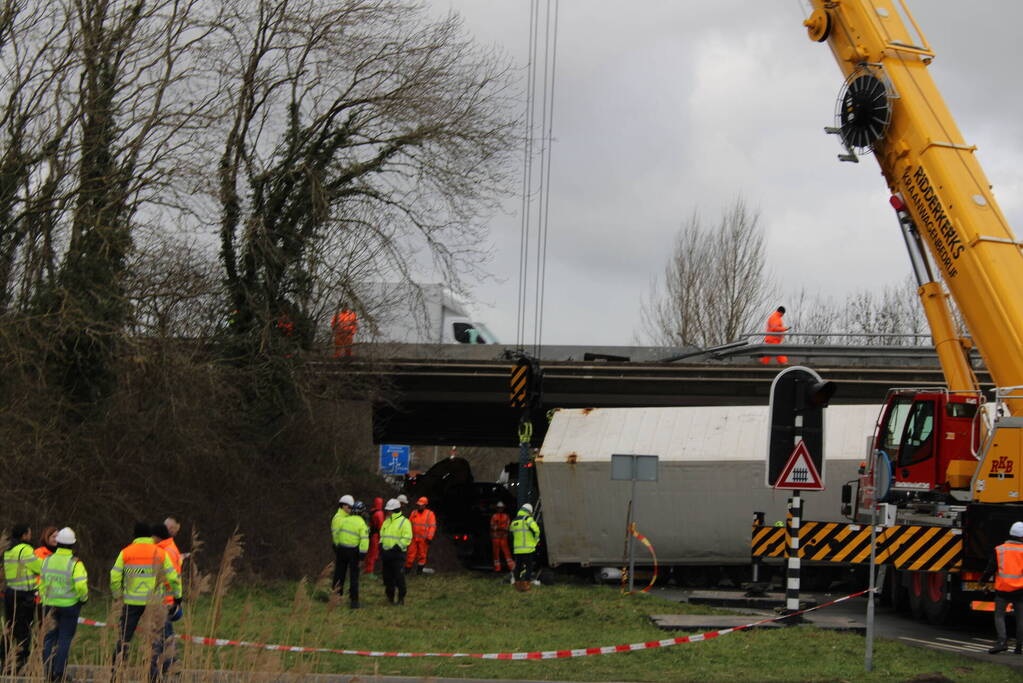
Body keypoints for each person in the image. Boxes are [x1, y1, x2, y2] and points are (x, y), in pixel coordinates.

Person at [111, 522, 182, 681]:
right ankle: (152, 675)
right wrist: (178, 596)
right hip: (155, 602)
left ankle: (116, 674)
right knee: (154, 639)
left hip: (131, 602)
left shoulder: (126, 552)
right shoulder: (160, 552)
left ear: (134, 535)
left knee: (124, 639)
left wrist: (118, 595)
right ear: (150, 535)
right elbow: (173, 577)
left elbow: (114, 576)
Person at [40, 527, 88, 682]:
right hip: (70, 606)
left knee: (49, 639)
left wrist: (44, 598)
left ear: (58, 543)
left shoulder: (47, 560)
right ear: (72, 545)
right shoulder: (75, 563)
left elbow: (42, 582)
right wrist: (83, 598)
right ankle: (59, 673)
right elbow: (81, 586)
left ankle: (47, 672)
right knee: (64, 639)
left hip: (49, 604)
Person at [2, 523, 41, 673]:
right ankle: (20, 663)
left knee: (9, 628)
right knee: (24, 630)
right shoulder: (25, 549)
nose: (30, 536)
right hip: (24, 595)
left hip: (10, 592)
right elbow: (38, 568)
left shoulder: (8, 549)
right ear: (24, 535)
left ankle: (4, 659)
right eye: (29, 533)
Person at [982, 521, 1023, 654]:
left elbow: (990, 569)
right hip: (1021, 591)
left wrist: (983, 582)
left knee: (999, 615)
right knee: (1021, 618)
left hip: (1003, 590)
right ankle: (1019, 646)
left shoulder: (1000, 550)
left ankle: (1001, 642)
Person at [153, 521, 184, 676]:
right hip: (166, 599)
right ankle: (170, 665)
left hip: (164, 600)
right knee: (166, 634)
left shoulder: (167, 551)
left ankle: (167, 665)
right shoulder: (167, 548)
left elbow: (170, 577)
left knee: (161, 635)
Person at [335, 500, 369, 609]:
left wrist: (337, 547)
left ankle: (335, 598)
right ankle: (354, 602)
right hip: (353, 553)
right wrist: (362, 557)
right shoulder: (362, 524)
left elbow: (337, 534)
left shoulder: (344, 520)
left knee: (339, 575)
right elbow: (364, 542)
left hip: (341, 550)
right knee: (354, 577)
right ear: (362, 512)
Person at [380, 498, 412, 605]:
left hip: (398, 555)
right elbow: (382, 536)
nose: (387, 512)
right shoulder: (386, 522)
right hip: (386, 555)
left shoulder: (405, 522)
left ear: (395, 510)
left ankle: (401, 598)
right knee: (387, 578)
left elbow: (407, 538)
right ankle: (390, 597)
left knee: (399, 578)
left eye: (389, 510)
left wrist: (395, 548)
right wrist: (381, 547)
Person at [510, 503, 541, 592]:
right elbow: (536, 530)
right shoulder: (528, 519)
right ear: (529, 512)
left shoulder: (514, 521)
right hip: (528, 549)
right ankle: (526, 586)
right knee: (529, 567)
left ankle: (517, 585)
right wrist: (535, 541)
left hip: (517, 549)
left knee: (518, 567)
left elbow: (511, 533)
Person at [406, 497, 437, 574]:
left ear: (425, 505)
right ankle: (407, 572)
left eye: (421, 505)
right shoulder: (413, 513)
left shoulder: (430, 514)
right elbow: (408, 524)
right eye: (418, 505)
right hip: (413, 538)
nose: (419, 506)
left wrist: (429, 538)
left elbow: (432, 527)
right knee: (410, 555)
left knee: (422, 556)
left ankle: (419, 572)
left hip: (424, 540)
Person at [489, 502, 515, 574]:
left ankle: (511, 567)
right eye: (499, 508)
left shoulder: (506, 516)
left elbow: (507, 526)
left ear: (503, 508)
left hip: (503, 537)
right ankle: (497, 569)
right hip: (496, 538)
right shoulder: (494, 516)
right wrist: (501, 528)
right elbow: (492, 526)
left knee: (507, 553)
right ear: (497, 509)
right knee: (496, 554)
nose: (500, 509)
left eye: (501, 508)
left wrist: (499, 528)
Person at [364, 497, 385, 574]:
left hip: (370, 534)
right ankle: (369, 571)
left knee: (369, 553)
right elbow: (381, 526)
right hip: (375, 536)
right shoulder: (379, 513)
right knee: (373, 553)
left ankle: (367, 569)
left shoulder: (371, 511)